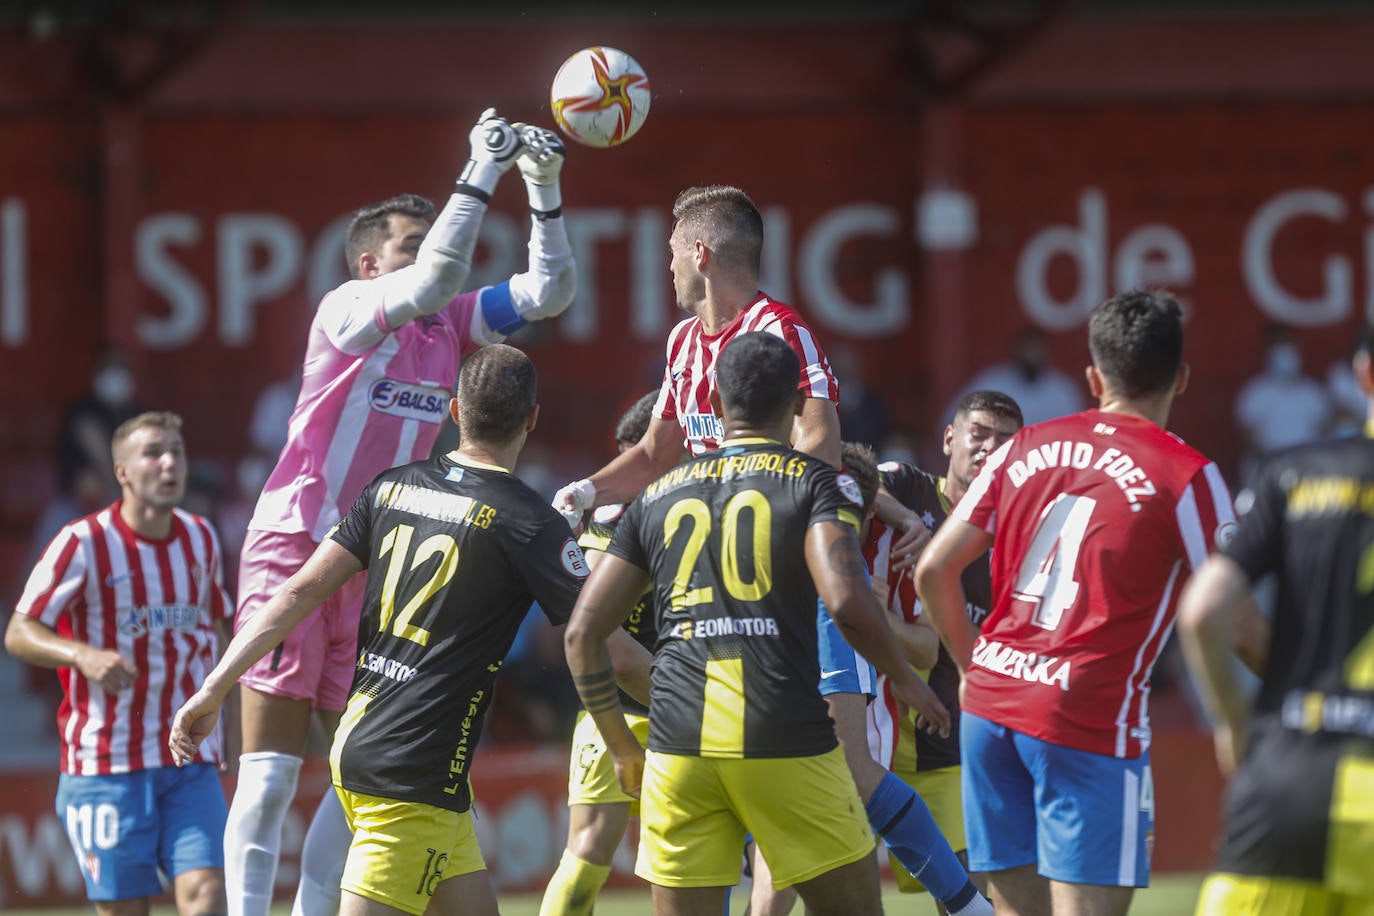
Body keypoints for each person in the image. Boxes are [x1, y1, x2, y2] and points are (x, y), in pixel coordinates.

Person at [224, 109, 577, 916]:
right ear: (366, 261)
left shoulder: (448, 322)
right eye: (409, 246)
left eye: (431, 243)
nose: (431, 261)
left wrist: (544, 188)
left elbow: (551, 291)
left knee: (361, 775)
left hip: (379, 564)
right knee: (272, 775)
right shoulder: (345, 308)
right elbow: (429, 278)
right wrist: (478, 171)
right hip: (296, 547)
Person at [169, 344, 652, 916]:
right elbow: (611, 652)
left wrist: (214, 686)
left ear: (453, 412)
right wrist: (704, 709)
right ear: (532, 417)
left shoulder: (390, 486)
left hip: (375, 748)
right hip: (413, 771)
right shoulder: (529, 522)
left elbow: (296, 591)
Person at [563, 332, 951, 916]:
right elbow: (846, 601)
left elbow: (581, 635)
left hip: (676, 746)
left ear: (715, 406)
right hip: (784, 737)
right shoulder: (821, 484)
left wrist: (621, 745)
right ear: (799, 407)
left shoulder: (656, 496)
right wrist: (905, 677)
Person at [914, 289, 1238, 915]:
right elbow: (1233, 607)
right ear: (1182, 378)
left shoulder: (1021, 446)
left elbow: (934, 570)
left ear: (1093, 376)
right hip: (1086, 716)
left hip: (991, 705)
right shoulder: (1187, 475)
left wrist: (968, 666)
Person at [551, 183, 926, 555]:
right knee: (610, 525)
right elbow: (653, 456)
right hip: (709, 538)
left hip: (769, 543)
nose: (669, 265)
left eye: (673, 252)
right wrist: (583, 492)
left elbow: (819, 449)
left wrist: (740, 514)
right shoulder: (681, 340)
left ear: (699, 254)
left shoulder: (778, 330)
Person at [1176, 325, 1374, 915]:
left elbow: (1205, 610)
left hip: (1287, 779)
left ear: (1363, 374)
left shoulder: (1294, 472)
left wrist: (1235, 721)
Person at [6, 411, 233, 916]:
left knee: (209, 896)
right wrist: (81, 654)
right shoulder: (82, 543)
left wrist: (226, 723)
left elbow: (216, 629)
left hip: (186, 760)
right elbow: (19, 631)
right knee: (126, 910)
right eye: (154, 452)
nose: (170, 462)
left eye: (178, 451)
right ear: (123, 472)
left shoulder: (201, 537)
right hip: (106, 765)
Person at [868, 391, 1023, 914]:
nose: (989, 448)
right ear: (950, 439)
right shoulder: (908, 486)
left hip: (946, 742)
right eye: (979, 434)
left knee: (970, 894)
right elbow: (842, 480)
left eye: (1004, 441)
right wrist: (906, 519)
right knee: (811, 882)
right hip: (860, 726)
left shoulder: (1017, 541)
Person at [539, 390, 659, 916]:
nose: (625, 474)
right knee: (592, 854)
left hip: (616, 705)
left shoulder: (611, 515)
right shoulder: (615, 517)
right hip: (648, 704)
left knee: (592, 855)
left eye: (635, 460)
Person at [1233, 324, 1332, 483]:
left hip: (1308, 470)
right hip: (1266, 470)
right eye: (1278, 348)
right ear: (1267, 353)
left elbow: (1325, 433)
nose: (1284, 354)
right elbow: (1248, 437)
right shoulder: (1254, 393)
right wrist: (1277, 463)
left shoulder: (1314, 393)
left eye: (1289, 347)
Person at [945, 326, 1084, 427]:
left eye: (1037, 350)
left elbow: (1077, 432)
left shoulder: (1062, 390)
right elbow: (953, 420)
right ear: (1015, 352)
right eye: (1027, 350)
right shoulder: (991, 384)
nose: (1032, 356)